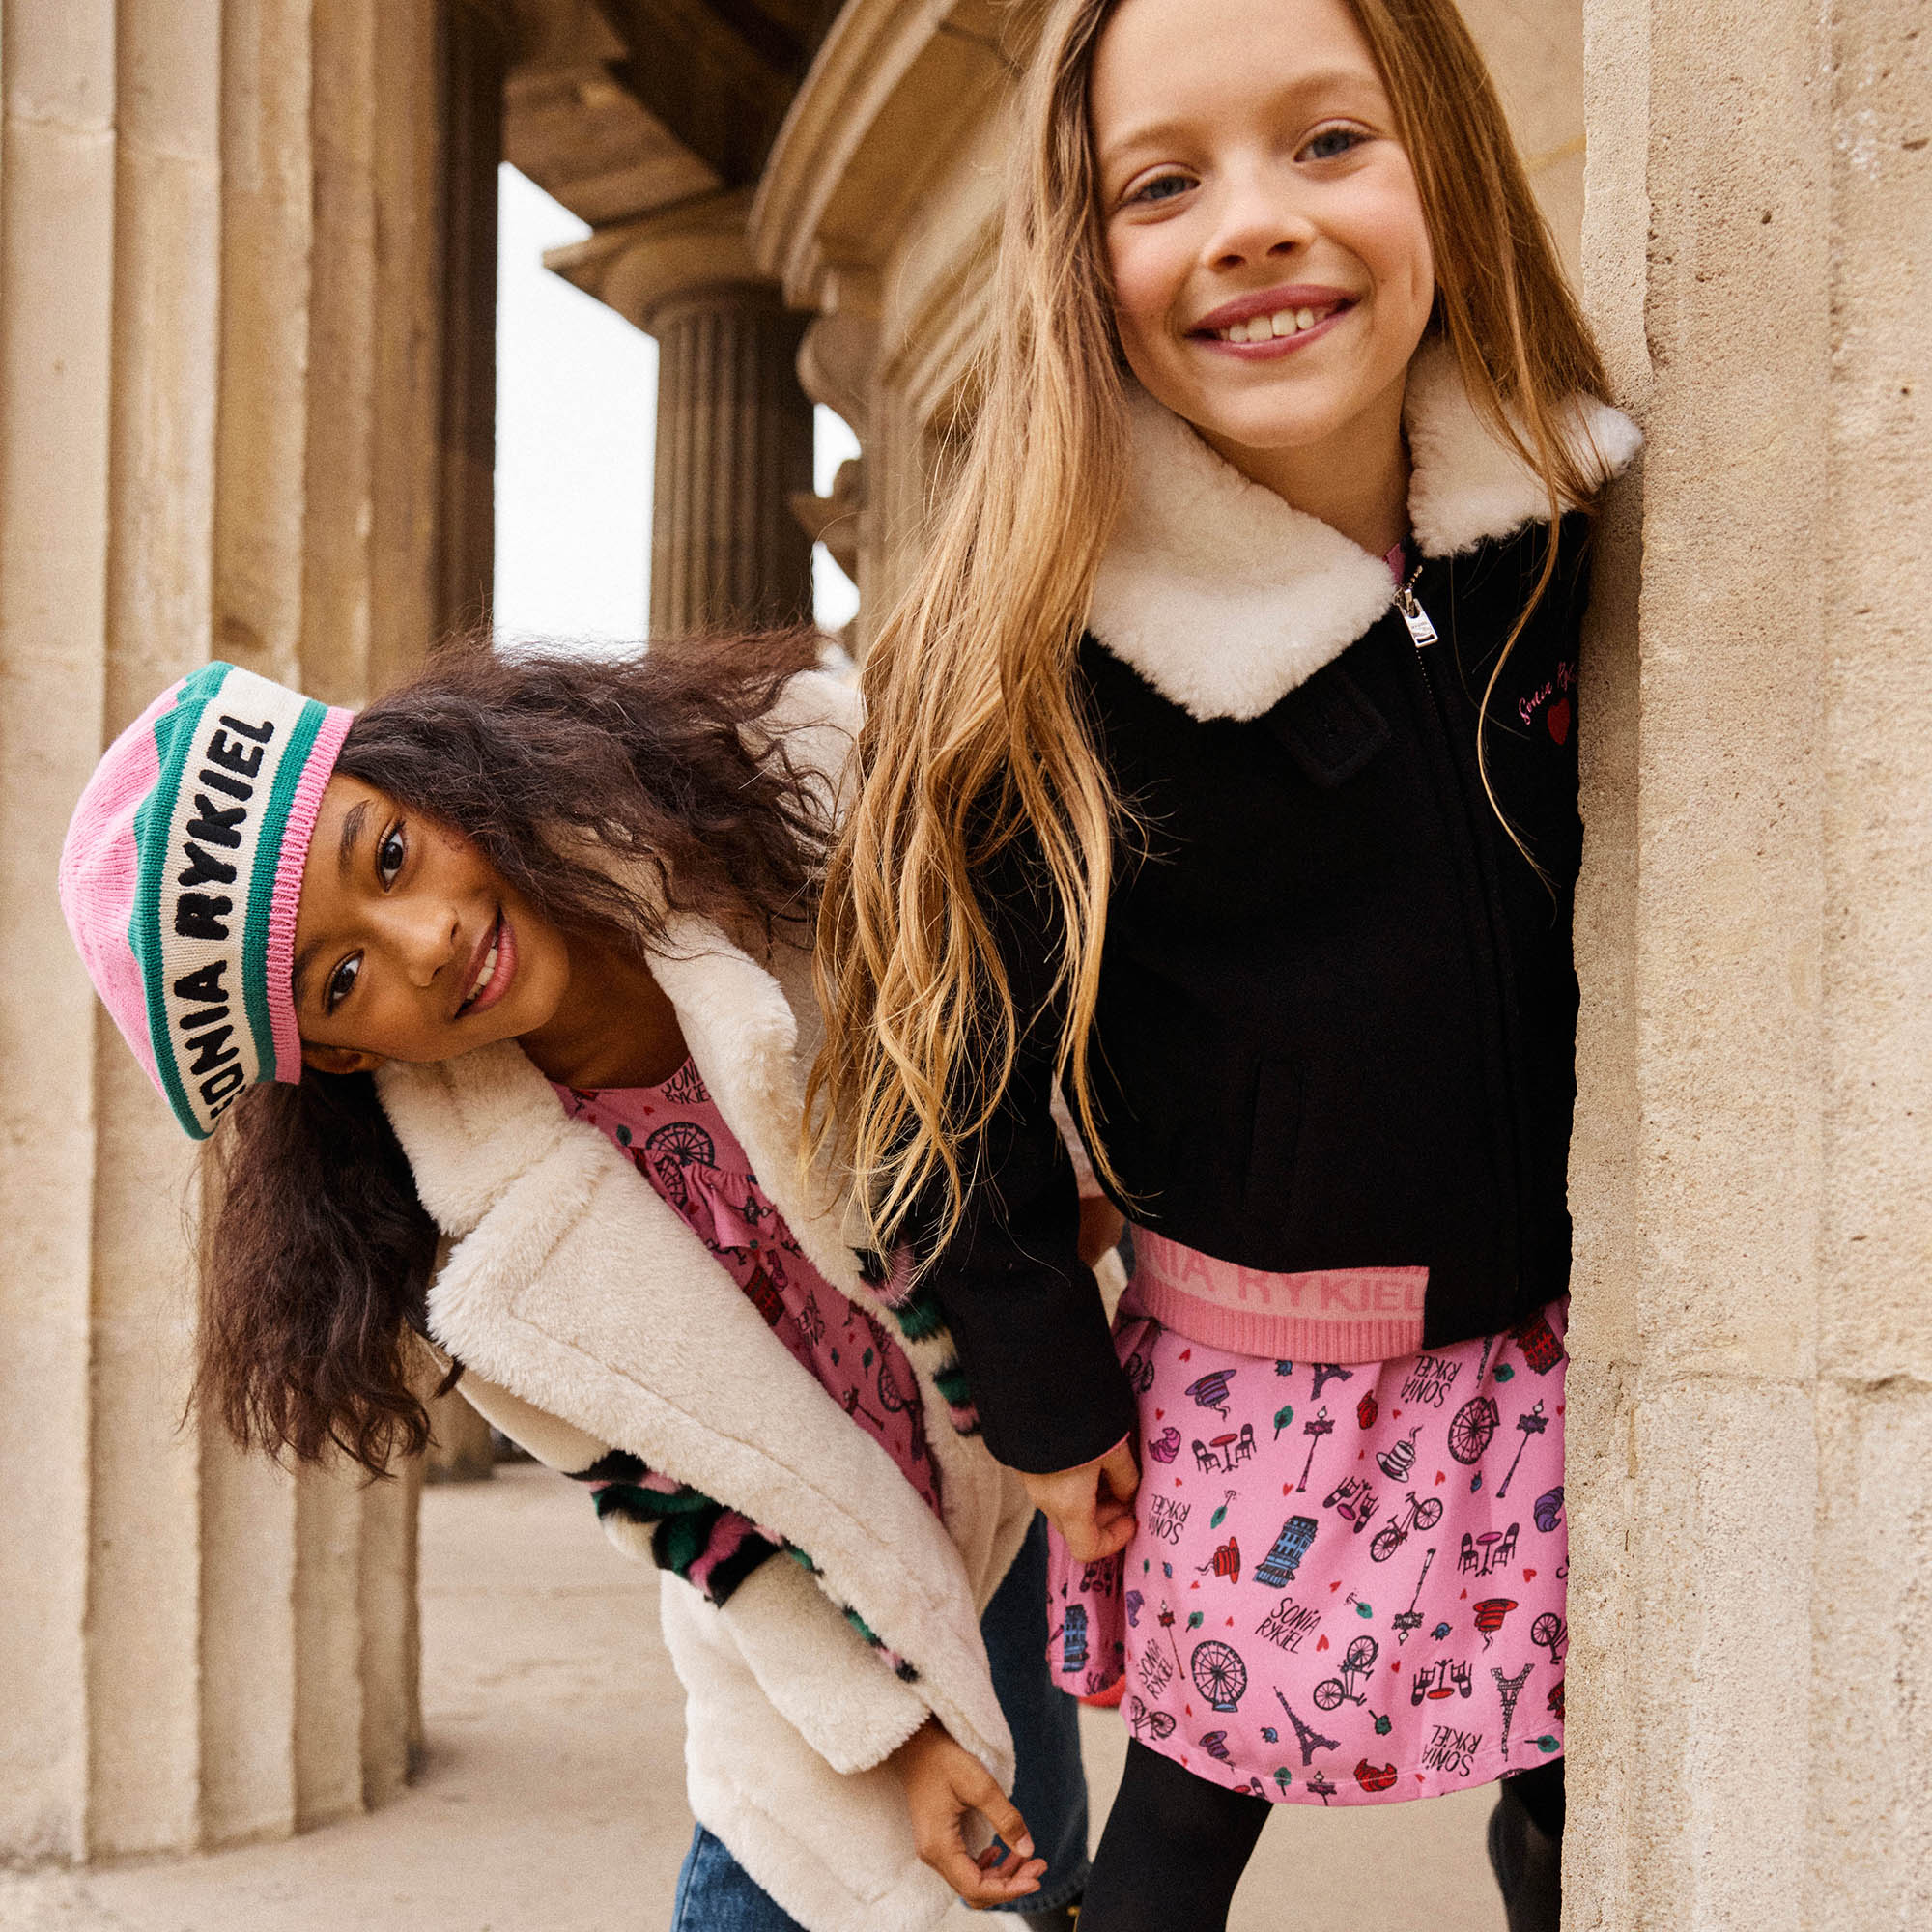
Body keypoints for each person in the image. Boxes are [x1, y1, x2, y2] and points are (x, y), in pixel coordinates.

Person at [808, 1, 1640, 1926]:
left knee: (1577, 1778)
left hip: (1558, 1332)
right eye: (1164, 184)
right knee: (1184, 1827)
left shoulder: (1563, 533)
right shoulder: (1056, 657)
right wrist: (1049, 1399)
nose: (1253, 222)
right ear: (1079, 261)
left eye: (1326, 143)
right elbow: (946, 1082)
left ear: (1441, 161)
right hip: (1272, 1363)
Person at [57, 639, 1089, 1932]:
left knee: (1046, 1887)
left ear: (419, 779)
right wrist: (886, 1732)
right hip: (819, 1638)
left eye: (385, 857)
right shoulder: (487, 1270)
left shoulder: (773, 813)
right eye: (340, 976)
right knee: (784, 1882)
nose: (424, 942)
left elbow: (1041, 1008)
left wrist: (1073, 1331)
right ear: (327, 1048)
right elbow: (693, 1527)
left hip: (1018, 1494)